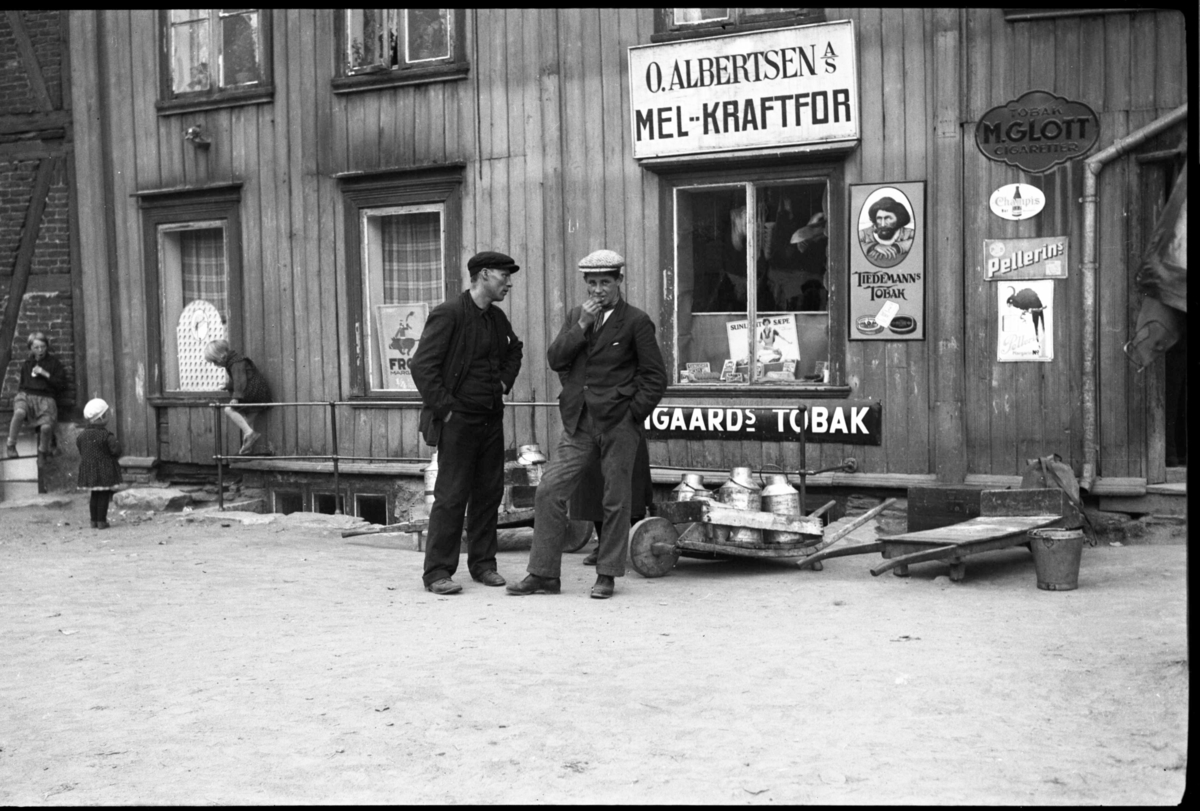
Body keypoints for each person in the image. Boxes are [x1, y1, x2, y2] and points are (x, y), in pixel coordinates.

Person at [508, 249, 667, 600]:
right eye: (592, 283)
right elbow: (556, 359)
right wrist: (580, 326)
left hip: (618, 422)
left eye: (605, 282)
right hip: (579, 422)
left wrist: (632, 413)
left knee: (615, 499)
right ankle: (544, 574)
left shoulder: (636, 321)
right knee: (549, 490)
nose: (598, 290)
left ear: (619, 281)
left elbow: (655, 377)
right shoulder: (576, 316)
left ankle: (607, 574)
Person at [410, 251, 524, 595]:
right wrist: (446, 409)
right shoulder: (449, 313)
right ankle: (437, 573)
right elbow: (422, 366)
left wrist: (503, 382)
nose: (508, 283)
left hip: (490, 418)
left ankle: (484, 565)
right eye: (504, 275)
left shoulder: (496, 318)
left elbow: (515, 350)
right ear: (484, 274)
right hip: (458, 421)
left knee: (489, 494)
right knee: (451, 495)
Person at [570, 433, 653, 566]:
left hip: (627, 426)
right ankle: (604, 546)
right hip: (595, 428)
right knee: (595, 481)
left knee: (633, 479)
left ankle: (640, 546)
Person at [203, 339, 273, 456]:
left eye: (215, 361)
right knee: (246, 423)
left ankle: (250, 435)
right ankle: (246, 450)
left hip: (254, 393)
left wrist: (235, 398)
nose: (215, 365)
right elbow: (237, 380)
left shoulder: (236, 363)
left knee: (229, 410)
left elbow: (240, 382)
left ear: (221, 356)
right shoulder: (234, 361)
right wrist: (227, 386)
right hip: (260, 394)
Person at [6, 331, 68, 460]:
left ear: (47, 346)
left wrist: (44, 373)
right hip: (27, 396)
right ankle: (11, 445)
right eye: (36, 347)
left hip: (46, 399)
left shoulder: (54, 363)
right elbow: (22, 385)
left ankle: (42, 452)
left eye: (43, 346)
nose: (40, 350)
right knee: (19, 412)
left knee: (46, 428)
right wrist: (23, 398)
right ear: (31, 348)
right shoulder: (27, 364)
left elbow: (61, 385)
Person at [77, 398, 122, 529]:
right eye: (106, 414)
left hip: (90, 470)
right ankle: (101, 521)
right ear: (101, 418)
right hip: (104, 470)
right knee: (103, 495)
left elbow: (81, 449)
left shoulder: (82, 435)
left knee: (94, 495)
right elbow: (116, 450)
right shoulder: (107, 435)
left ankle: (93, 521)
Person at [858, 196, 915, 269]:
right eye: (879, 218)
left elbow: (920, 241)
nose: (882, 224)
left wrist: (897, 247)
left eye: (888, 218)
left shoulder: (908, 233)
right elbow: (853, 244)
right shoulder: (864, 233)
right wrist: (873, 246)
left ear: (899, 218)